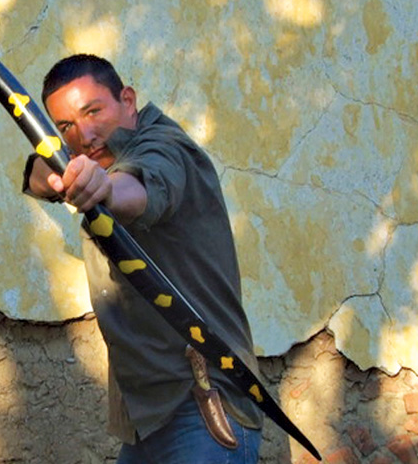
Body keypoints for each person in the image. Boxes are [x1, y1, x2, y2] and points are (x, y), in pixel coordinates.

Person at [22, 54, 263, 463]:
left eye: (94, 111)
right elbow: (36, 171)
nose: (85, 135)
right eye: (66, 127)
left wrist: (105, 190)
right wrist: (56, 177)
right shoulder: (96, 157)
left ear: (128, 101)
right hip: (147, 422)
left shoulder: (166, 148)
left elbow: (141, 188)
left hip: (204, 409)